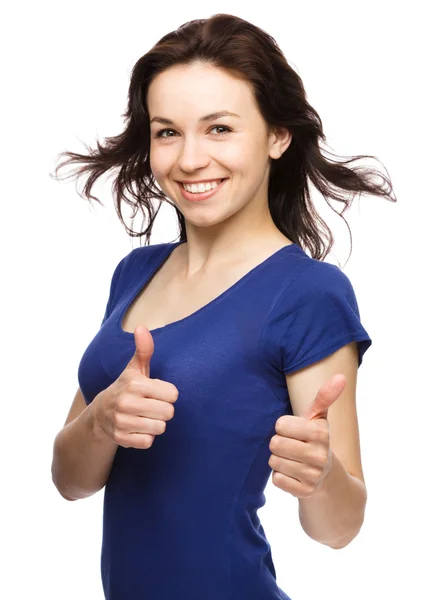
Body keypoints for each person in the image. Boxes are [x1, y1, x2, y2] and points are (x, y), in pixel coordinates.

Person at [50, 13, 396, 600]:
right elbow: (71, 481)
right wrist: (103, 420)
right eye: (167, 132)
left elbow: (340, 528)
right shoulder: (135, 273)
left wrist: (319, 474)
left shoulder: (308, 294)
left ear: (277, 136)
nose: (188, 160)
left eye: (219, 129)